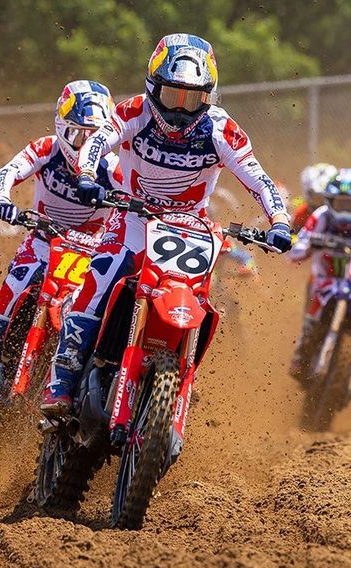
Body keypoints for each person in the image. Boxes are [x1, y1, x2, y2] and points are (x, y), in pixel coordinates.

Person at [41, 33, 293, 417]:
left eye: (192, 99)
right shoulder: (134, 111)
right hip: (133, 216)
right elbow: (96, 142)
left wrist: (280, 221)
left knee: (201, 298)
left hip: (191, 227)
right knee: (100, 279)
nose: (180, 109)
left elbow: (259, 179)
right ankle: (61, 382)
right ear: (153, 87)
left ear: (208, 97)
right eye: (172, 95)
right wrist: (87, 174)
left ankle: (179, 380)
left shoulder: (221, 129)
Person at [0, 80, 121, 408]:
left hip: (90, 250)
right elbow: (8, 172)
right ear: (61, 127)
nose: (85, 146)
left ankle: (80, 383)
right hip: (43, 241)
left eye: (94, 137)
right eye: (78, 135)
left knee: (95, 309)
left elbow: (136, 194)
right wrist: (3, 199)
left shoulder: (112, 166)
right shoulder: (47, 149)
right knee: (8, 293)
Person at [289, 169, 351, 381]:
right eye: (341, 204)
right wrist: (309, 245)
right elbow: (296, 250)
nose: (346, 209)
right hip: (323, 281)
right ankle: (301, 355)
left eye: (350, 204)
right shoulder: (321, 216)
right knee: (311, 324)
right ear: (330, 201)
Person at [295, 163, 338, 231]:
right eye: (318, 196)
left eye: (325, 196)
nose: (322, 201)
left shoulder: (342, 211)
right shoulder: (302, 213)